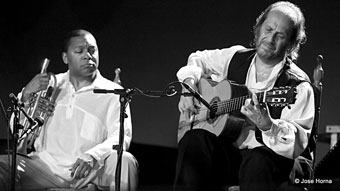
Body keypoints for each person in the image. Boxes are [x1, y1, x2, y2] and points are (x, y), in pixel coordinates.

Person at [174, 1, 315, 191]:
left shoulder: (297, 85)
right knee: (194, 140)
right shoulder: (236, 57)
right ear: (258, 29)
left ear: (290, 44)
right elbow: (198, 59)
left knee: (258, 160)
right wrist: (189, 85)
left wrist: (269, 125)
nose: (270, 38)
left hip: (278, 162)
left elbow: (297, 142)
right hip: (234, 155)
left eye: (280, 35)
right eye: (268, 29)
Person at [0, 29, 138, 191]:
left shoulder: (113, 92)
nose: (88, 55)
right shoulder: (49, 83)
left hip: (90, 170)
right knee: (3, 165)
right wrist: (26, 96)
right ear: (66, 58)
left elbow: (121, 136)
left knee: (125, 160)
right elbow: (15, 129)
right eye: (79, 51)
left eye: (92, 50)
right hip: (44, 167)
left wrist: (93, 156)